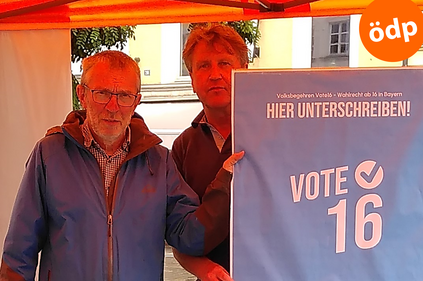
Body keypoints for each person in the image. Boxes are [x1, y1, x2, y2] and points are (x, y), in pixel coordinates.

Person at [0, 50, 244, 281]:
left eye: (124, 96)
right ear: (82, 95)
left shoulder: (159, 161)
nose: (113, 107)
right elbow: (20, 249)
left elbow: (190, 236)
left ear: (137, 101)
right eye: (102, 93)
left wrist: (225, 181)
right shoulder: (49, 155)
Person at [171, 23, 249, 281]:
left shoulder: (274, 134)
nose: (215, 74)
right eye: (203, 66)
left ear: (244, 71)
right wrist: (204, 269)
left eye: (224, 63)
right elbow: (178, 235)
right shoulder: (183, 147)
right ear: (192, 80)